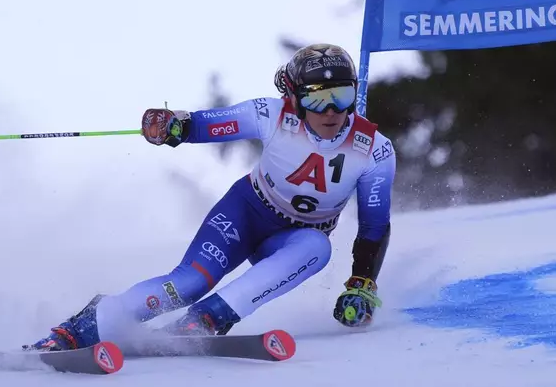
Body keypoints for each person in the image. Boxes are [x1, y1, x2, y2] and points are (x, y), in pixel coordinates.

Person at [25, 43, 396, 352]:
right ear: (294, 98)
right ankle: (79, 329)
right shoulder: (270, 114)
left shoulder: (375, 150)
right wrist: (175, 126)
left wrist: (362, 285)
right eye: (317, 100)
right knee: (188, 284)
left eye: (342, 96)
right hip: (246, 213)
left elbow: (375, 225)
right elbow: (210, 123)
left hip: (293, 239)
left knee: (317, 248)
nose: (331, 111)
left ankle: (207, 318)